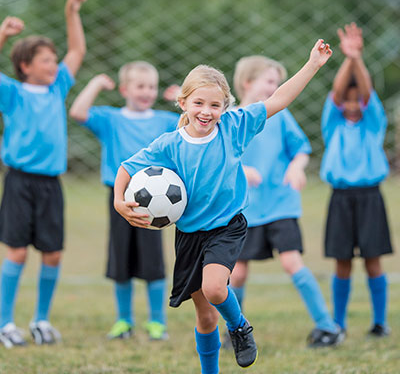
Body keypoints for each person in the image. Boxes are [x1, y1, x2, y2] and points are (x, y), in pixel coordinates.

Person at [114, 39, 332, 373]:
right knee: (204, 317)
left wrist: (313, 64)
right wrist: (119, 201)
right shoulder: (169, 144)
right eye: (198, 102)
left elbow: (280, 98)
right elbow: (127, 167)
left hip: (227, 226)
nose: (206, 111)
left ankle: (241, 327)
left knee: (216, 290)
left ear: (225, 106)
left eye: (215, 105)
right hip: (189, 234)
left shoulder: (234, 126)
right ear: (183, 102)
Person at [227, 55, 343, 348]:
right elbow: (221, 160)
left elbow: (301, 149)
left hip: (280, 204)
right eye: (269, 81)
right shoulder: (231, 120)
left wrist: (297, 166)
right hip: (244, 210)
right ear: (247, 83)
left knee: (293, 262)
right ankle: (235, 331)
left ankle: (327, 327)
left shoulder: (280, 115)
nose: (275, 87)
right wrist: (241, 169)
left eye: (277, 83)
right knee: (237, 272)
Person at [0, 0, 87, 348]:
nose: (54, 65)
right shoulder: (13, 92)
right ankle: (5, 323)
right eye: (46, 61)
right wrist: (4, 35)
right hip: (20, 182)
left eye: (55, 60)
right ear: (25, 66)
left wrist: (71, 11)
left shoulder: (57, 90)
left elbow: (78, 50)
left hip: (51, 184)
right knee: (17, 252)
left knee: (52, 253)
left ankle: (41, 320)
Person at [69, 62, 178, 341]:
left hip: (156, 205)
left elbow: (200, 121)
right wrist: (95, 84)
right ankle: (124, 321)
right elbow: (78, 112)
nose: (147, 92)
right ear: (125, 89)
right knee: (121, 260)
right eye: (141, 86)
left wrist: (183, 99)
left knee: (153, 262)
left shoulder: (165, 120)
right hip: (119, 199)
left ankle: (157, 323)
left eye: (152, 87)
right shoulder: (111, 119)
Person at [320, 23, 392, 338]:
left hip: (370, 196)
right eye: (345, 101)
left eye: (356, 101)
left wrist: (357, 59)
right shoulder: (333, 125)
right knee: (342, 262)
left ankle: (379, 323)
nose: (351, 105)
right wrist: (346, 60)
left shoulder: (372, 124)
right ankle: (339, 322)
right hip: (340, 197)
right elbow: (337, 92)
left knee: (373, 262)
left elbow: (366, 91)